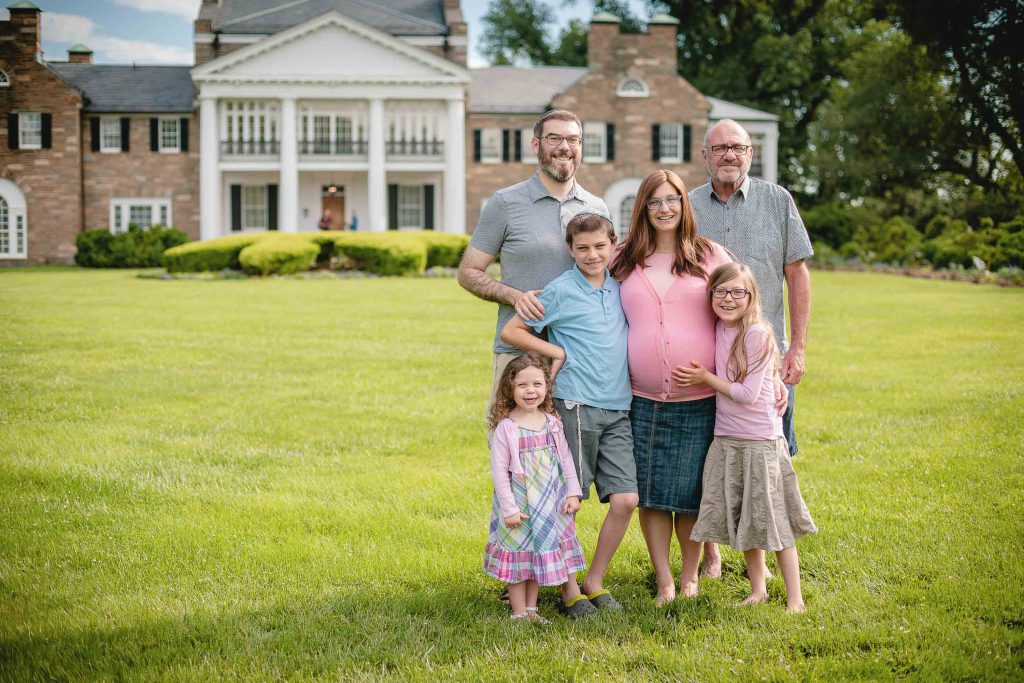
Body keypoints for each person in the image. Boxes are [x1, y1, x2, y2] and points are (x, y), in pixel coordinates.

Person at [501, 212, 638, 616]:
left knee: (627, 499)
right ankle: (570, 589)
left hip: (619, 407)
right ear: (570, 250)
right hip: (575, 405)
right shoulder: (560, 290)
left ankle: (595, 579)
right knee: (567, 501)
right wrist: (555, 352)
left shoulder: (621, 287)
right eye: (582, 248)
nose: (593, 255)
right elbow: (513, 331)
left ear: (614, 245)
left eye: (600, 246)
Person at [609, 170, 732, 604]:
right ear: (642, 207)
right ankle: (663, 581)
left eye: (673, 200)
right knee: (653, 497)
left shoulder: (708, 255)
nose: (664, 208)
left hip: (699, 401)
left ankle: (689, 577)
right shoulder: (622, 258)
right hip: (640, 401)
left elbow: (742, 308)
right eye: (655, 201)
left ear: (685, 204)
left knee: (691, 497)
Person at [680, 263, 817, 613]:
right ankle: (758, 590)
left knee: (774, 521)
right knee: (745, 517)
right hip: (727, 438)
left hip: (759, 442)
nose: (728, 299)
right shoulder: (719, 328)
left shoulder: (755, 333)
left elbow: (746, 394)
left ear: (751, 296)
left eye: (737, 292)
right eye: (720, 292)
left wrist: (704, 378)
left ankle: (795, 599)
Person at [458, 109, 608, 407]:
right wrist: (515, 297)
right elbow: (469, 272)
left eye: (573, 140)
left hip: (581, 355)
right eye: (554, 138)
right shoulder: (505, 203)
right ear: (536, 145)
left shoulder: (596, 207)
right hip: (520, 355)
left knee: (572, 452)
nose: (564, 147)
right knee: (516, 447)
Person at [689, 119, 813, 458]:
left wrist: (797, 349)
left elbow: (798, 274)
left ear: (750, 153)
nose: (729, 155)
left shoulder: (778, 200)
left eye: (737, 148)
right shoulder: (687, 207)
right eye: (720, 148)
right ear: (705, 155)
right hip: (707, 359)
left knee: (772, 458)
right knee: (711, 463)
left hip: (768, 358)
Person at [484, 353, 586, 623]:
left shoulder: (552, 421)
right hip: (520, 504)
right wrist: (509, 508)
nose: (530, 391)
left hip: (548, 502)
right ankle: (518, 613)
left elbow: (565, 459)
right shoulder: (507, 428)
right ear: (510, 388)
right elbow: (499, 472)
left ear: (546, 387)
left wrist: (573, 493)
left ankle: (532, 609)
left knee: (536, 555)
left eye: (537, 384)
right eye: (522, 385)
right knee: (519, 558)